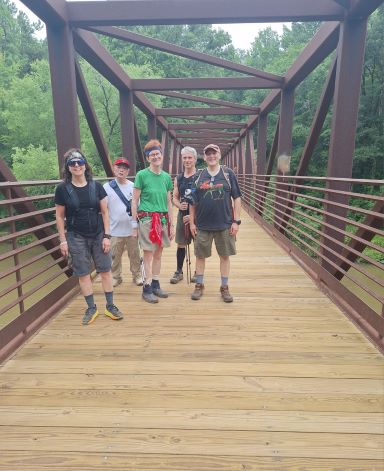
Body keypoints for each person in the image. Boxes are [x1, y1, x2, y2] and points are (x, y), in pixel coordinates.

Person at [55, 148, 124, 325]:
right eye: (72, 163)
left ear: (85, 165)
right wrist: (62, 240)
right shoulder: (63, 189)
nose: (76, 165)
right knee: (83, 273)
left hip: (98, 234)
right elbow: (59, 216)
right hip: (75, 235)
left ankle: (110, 306)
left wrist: (107, 236)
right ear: (68, 167)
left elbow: (105, 212)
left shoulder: (97, 186)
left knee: (105, 270)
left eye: (80, 162)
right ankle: (91, 308)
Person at [189, 144, 242, 303]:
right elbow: (192, 202)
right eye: (208, 154)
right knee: (200, 256)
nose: (211, 156)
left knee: (224, 256)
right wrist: (192, 223)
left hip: (225, 223)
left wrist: (236, 221)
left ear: (219, 155)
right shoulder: (198, 176)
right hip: (202, 224)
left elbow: (237, 198)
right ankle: (199, 285)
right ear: (204, 157)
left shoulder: (228, 174)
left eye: (214, 153)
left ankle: (224, 287)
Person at [131, 139, 175, 303]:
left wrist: (171, 224)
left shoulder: (166, 177)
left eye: (157, 154)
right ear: (148, 158)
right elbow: (134, 200)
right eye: (152, 155)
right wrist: (134, 224)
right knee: (148, 254)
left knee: (159, 253)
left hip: (162, 220)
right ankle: (147, 287)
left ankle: (156, 283)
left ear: (162, 156)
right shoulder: (142, 175)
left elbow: (169, 202)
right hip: (148, 219)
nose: (155, 157)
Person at [103, 158, 142, 288]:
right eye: (119, 167)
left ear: (128, 171)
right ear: (114, 168)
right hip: (115, 229)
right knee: (114, 256)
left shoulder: (133, 186)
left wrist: (137, 225)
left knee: (134, 254)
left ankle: (137, 275)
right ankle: (116, 277)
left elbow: (139, 205)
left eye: (125, 168)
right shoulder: (107, 187)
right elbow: (104, 210)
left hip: (132, 229)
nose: (121, 170)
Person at [170, 146, 198, 284]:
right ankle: (179, 271)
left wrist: (193, 216)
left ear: (195, 159)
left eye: (189, 157)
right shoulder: (179, 178)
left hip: (198, 216)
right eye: (185, 158)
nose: (187, 160)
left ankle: (198, 272)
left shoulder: (200, 176)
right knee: (181, 243)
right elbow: (174, 197)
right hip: (182, 215)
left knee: (199, 243)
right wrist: (179, 205)